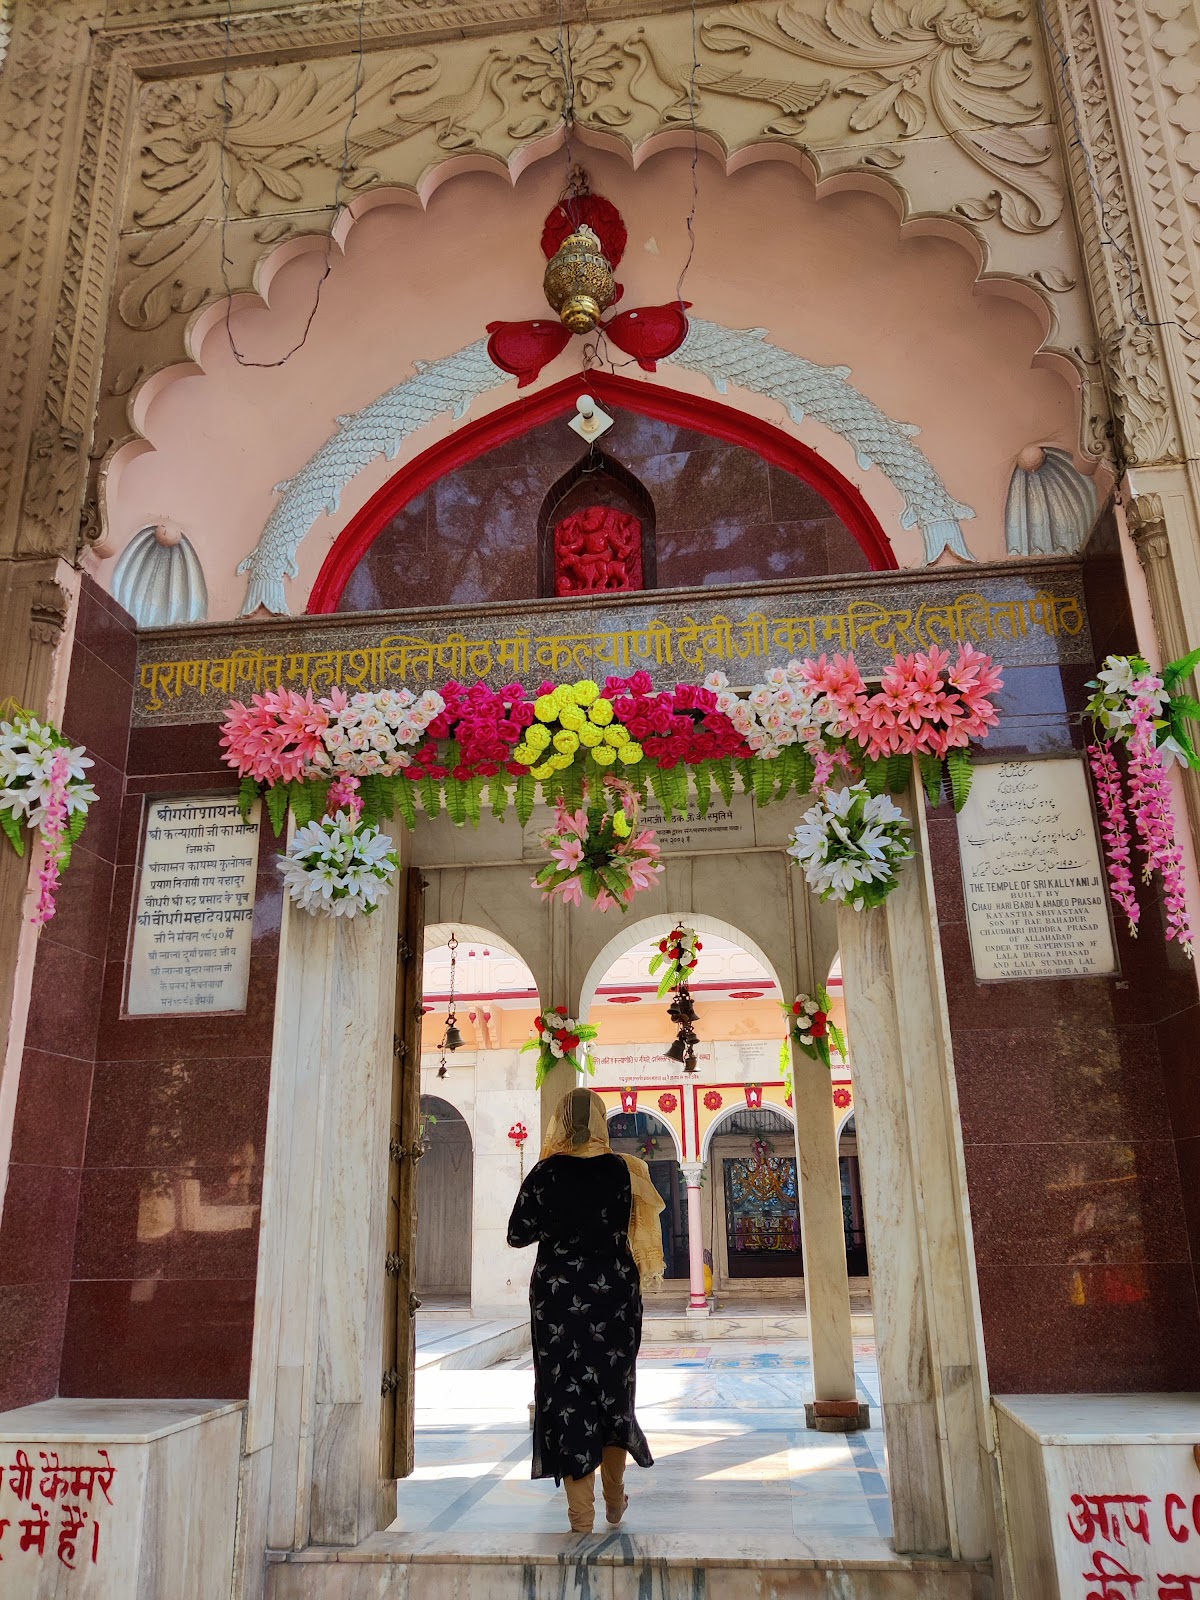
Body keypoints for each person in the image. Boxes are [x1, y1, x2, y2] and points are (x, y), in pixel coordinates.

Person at [507, 1086, 666, 1533]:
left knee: (568, 1397)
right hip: (614, 1294)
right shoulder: (624, 1169)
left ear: (560, 1120)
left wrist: (556, 1221)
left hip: (558, 1299)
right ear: (600, 1121)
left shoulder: (544, 1173)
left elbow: (517, 1234)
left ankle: (582, 1517)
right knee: (613, 1392)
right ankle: (614, 1497)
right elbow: (640, 1227)